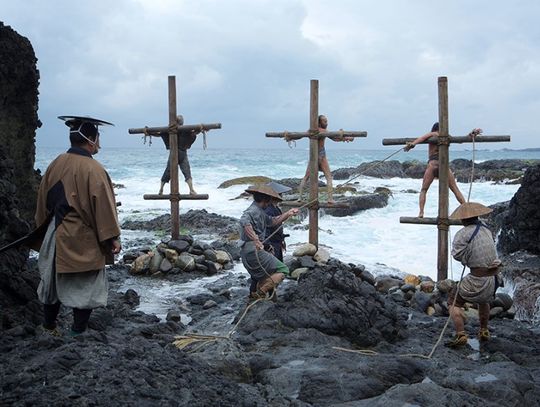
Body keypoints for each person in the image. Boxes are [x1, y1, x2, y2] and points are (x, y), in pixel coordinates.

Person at [32, 115, 121, 336]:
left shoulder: (55, 163)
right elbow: (103, 207)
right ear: (90, 139)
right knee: (86, 285)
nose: (99, 143)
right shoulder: (94, 169)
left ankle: (49, 327)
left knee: (52, 282)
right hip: (82, 237)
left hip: (55, 233)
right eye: (97, 138)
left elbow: (42, 201)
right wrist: (112, 238)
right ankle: (77, 332)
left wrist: (44, 231)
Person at [446, 202, 502, 348]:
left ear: (463, 219)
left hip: (477, 279)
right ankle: (484, 330)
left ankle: (460, 334)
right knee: (484, 301)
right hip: (493, 279)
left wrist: (467, 257)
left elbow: (457, 255)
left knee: (453, 302)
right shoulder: (487, 230)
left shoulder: (462, 234)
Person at [403, 123, 482, 217]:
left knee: (424, 190)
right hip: (444, 166)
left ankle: (421, 212)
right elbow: (461, 141)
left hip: (433, 165)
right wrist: (471, 134)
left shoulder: (433, 134)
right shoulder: (446, 136)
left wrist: (412, 144)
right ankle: (466, 210)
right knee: (455, 189)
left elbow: (421, 138)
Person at [239, 185, 299, 301]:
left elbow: (272, 222)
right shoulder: (253, 211)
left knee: (264, 274)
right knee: (283, 270)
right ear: (265, 200)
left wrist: (288, 214)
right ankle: (261, 291)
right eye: (269, 200)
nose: (270, 203)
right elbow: (244, 222)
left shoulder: (259, 211)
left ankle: (257, 297)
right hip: (253, 251)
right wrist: (256, 240)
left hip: (249, 251)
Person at [298, 115, 353, 204]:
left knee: (306, 177)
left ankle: (299, 197)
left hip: (313, 156)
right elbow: (335, 138)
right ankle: (330, 199)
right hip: (321, 155)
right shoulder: (323, 131)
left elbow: (300, 136)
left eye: (327, 121)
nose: (326, 124)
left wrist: (289, 136)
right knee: (328, 177)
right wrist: (346, 138)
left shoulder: (310, 131)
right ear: (319, 123)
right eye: (324, 122)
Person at [158, 115, 200, 195]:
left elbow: (159, 133)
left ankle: (161, 189)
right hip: (182, 152)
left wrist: (148, 132)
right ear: (181, 122)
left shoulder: (170, 129)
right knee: (186, 171)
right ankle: (191, 189)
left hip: (176, 152)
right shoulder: (184, 130)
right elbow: (195, 132)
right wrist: (201, 128)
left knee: (168, 171)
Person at [264, 181, 292, 261]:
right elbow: (266, 229)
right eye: (280, 194)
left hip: (277, 243)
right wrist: (268, 246)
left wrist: (282, 240)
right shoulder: (268, 210)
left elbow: (278, 226)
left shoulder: (276, 209)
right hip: (272, 244)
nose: (281, 196)